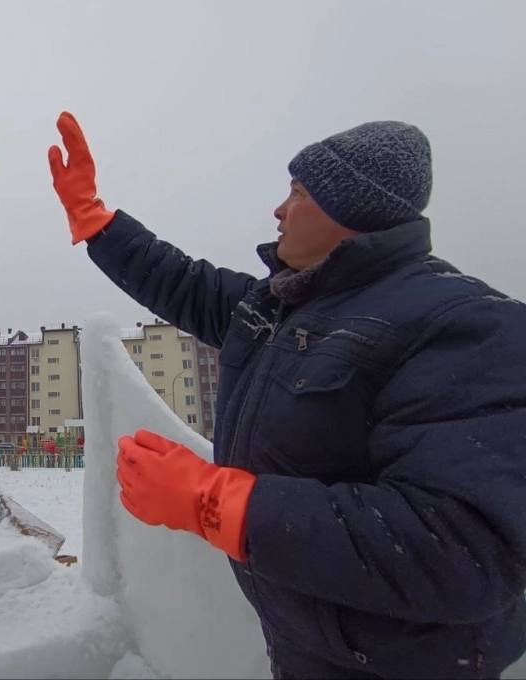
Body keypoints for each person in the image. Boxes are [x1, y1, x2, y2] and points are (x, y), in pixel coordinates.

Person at [48, 111, 526, 679]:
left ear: (351, 209)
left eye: (298, 192)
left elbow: (460, 552)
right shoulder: (285, 306)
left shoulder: (467, 325)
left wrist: (213, 501)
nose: (279, 210)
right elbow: (185, 283)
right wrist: (97, 222)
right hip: (304, 646)